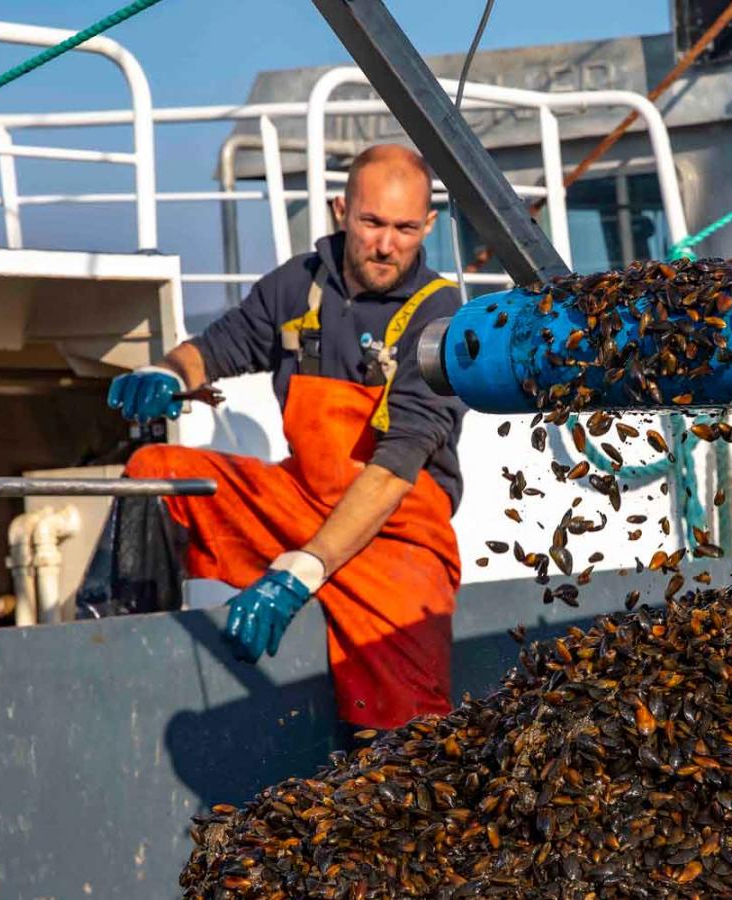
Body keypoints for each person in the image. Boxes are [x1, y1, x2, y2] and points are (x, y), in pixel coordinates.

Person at [104, 144, 465, 729]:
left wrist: (301, 572)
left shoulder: (442, 315)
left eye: (404, 229)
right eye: (372, 222)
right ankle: (119, 651)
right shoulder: (296, 286)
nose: (386, 245)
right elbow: (217, 347)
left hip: (399, 531)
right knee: (154, 473)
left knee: (408, 723)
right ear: (340, 209)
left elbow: (398, 467)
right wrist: (167, 373)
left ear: (427, 225)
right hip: (299, 501)